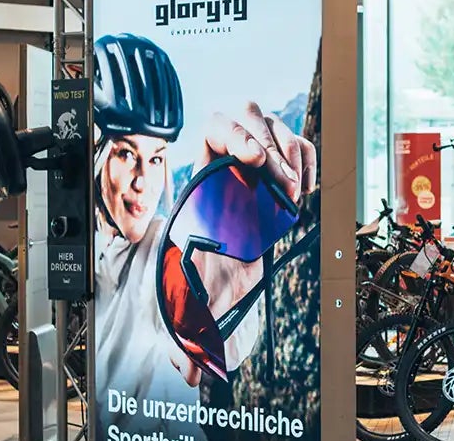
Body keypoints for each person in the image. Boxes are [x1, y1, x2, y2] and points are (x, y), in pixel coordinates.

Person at [92, 33, 316, 404]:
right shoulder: (90, 254)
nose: (143, 182)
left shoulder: (168, 252)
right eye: (127, 155)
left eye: (156, 158)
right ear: (97, 153)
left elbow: (208, 350)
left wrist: (210, 305)